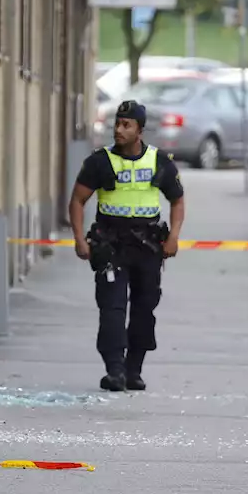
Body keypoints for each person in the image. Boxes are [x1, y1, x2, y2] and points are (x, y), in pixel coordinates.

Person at [69, 100, 186, 392]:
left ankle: (134, 369)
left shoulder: (159, 162)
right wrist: (80, 239)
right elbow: (77, 200)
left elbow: (177, 200)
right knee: (112, 309)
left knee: (145, 309)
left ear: (140, 130)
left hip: (147, 247)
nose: (119, 130)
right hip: (111, 245)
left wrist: (173, 237)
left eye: (126, 125)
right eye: (116, 124)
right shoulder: (99, 162)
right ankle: (115, 370)